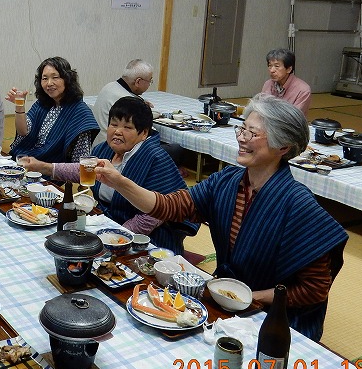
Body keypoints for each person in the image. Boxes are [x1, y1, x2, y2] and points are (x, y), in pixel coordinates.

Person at [95, 94, 348, 341]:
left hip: (274, 320)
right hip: (226, 302)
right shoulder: (226, 182)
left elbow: (315, 289)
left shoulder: (298, 204)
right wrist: (120, 182)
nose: (242, 138)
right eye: (242, 130)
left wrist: (250, 296)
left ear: (283, 146)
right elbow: (169, 206)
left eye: (252, 133)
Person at [20, 97, 198, 250]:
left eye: (127, 127)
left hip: (148, 240)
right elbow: (83, 170)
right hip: (108, 224)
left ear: (143, 133)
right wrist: (43, 167)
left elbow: (154, 215)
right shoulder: (105, 149)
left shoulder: (156, 159)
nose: (117, 131)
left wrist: (116, 236)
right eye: (114, 124)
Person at [7, 56, 99, 163]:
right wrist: (19, 106)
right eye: (45, 78)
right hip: (28, 161)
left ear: (67, 79)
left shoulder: (81, 113)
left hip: (53, 171)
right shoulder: (42, 103)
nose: (49, 83)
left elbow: (79, 163)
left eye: (55, 77)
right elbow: (23, 132)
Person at [91, 58, 154, 145]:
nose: (150, 84)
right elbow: (145, 132)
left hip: (98, 144)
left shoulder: (110, 86)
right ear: (138, 81)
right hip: (113, 148)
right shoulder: (127, 102)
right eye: (150, 81)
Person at [261, 48, 312, 115]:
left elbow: (294, 117)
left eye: (277, 66)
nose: (272, 70)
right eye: (270, 66)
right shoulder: (268, 84)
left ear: (289, 69)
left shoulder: (303, 90)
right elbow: (261, 108)